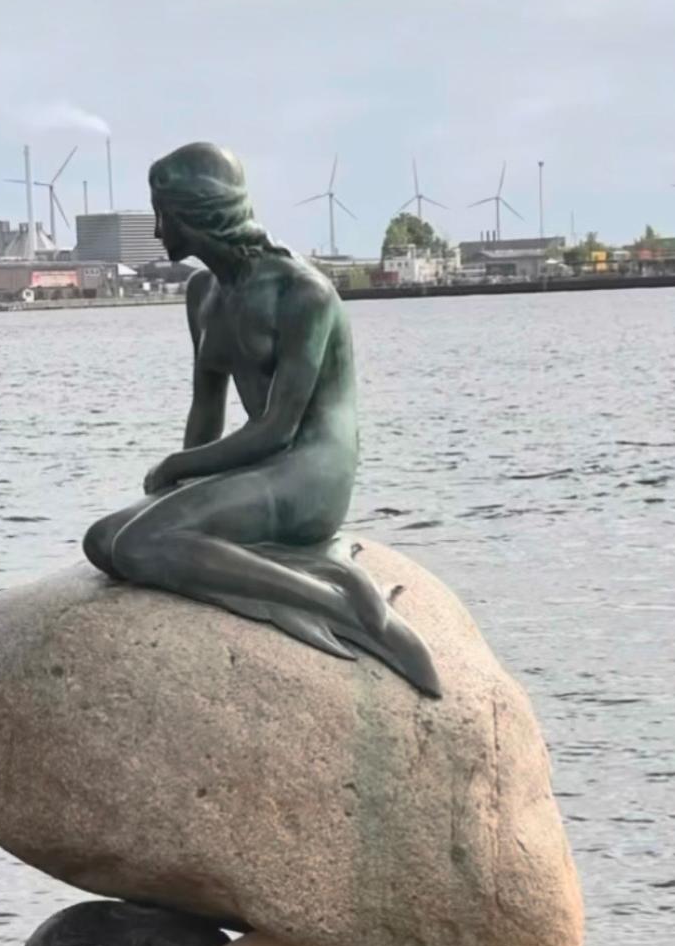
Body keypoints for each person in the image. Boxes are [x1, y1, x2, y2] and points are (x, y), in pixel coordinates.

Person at [83, 142, 440, 696]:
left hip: (310, 472)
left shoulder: (304, 293)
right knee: (104, 540)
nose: (156, 231)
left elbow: (279, 427)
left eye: (163, 215)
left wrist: (178, 467)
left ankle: (353, 609)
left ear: (198, 214)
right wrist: (178, 485)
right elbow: (206, 412)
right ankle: (304, 568)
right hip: (261, 467)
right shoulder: (203, 292)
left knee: (140, 546)